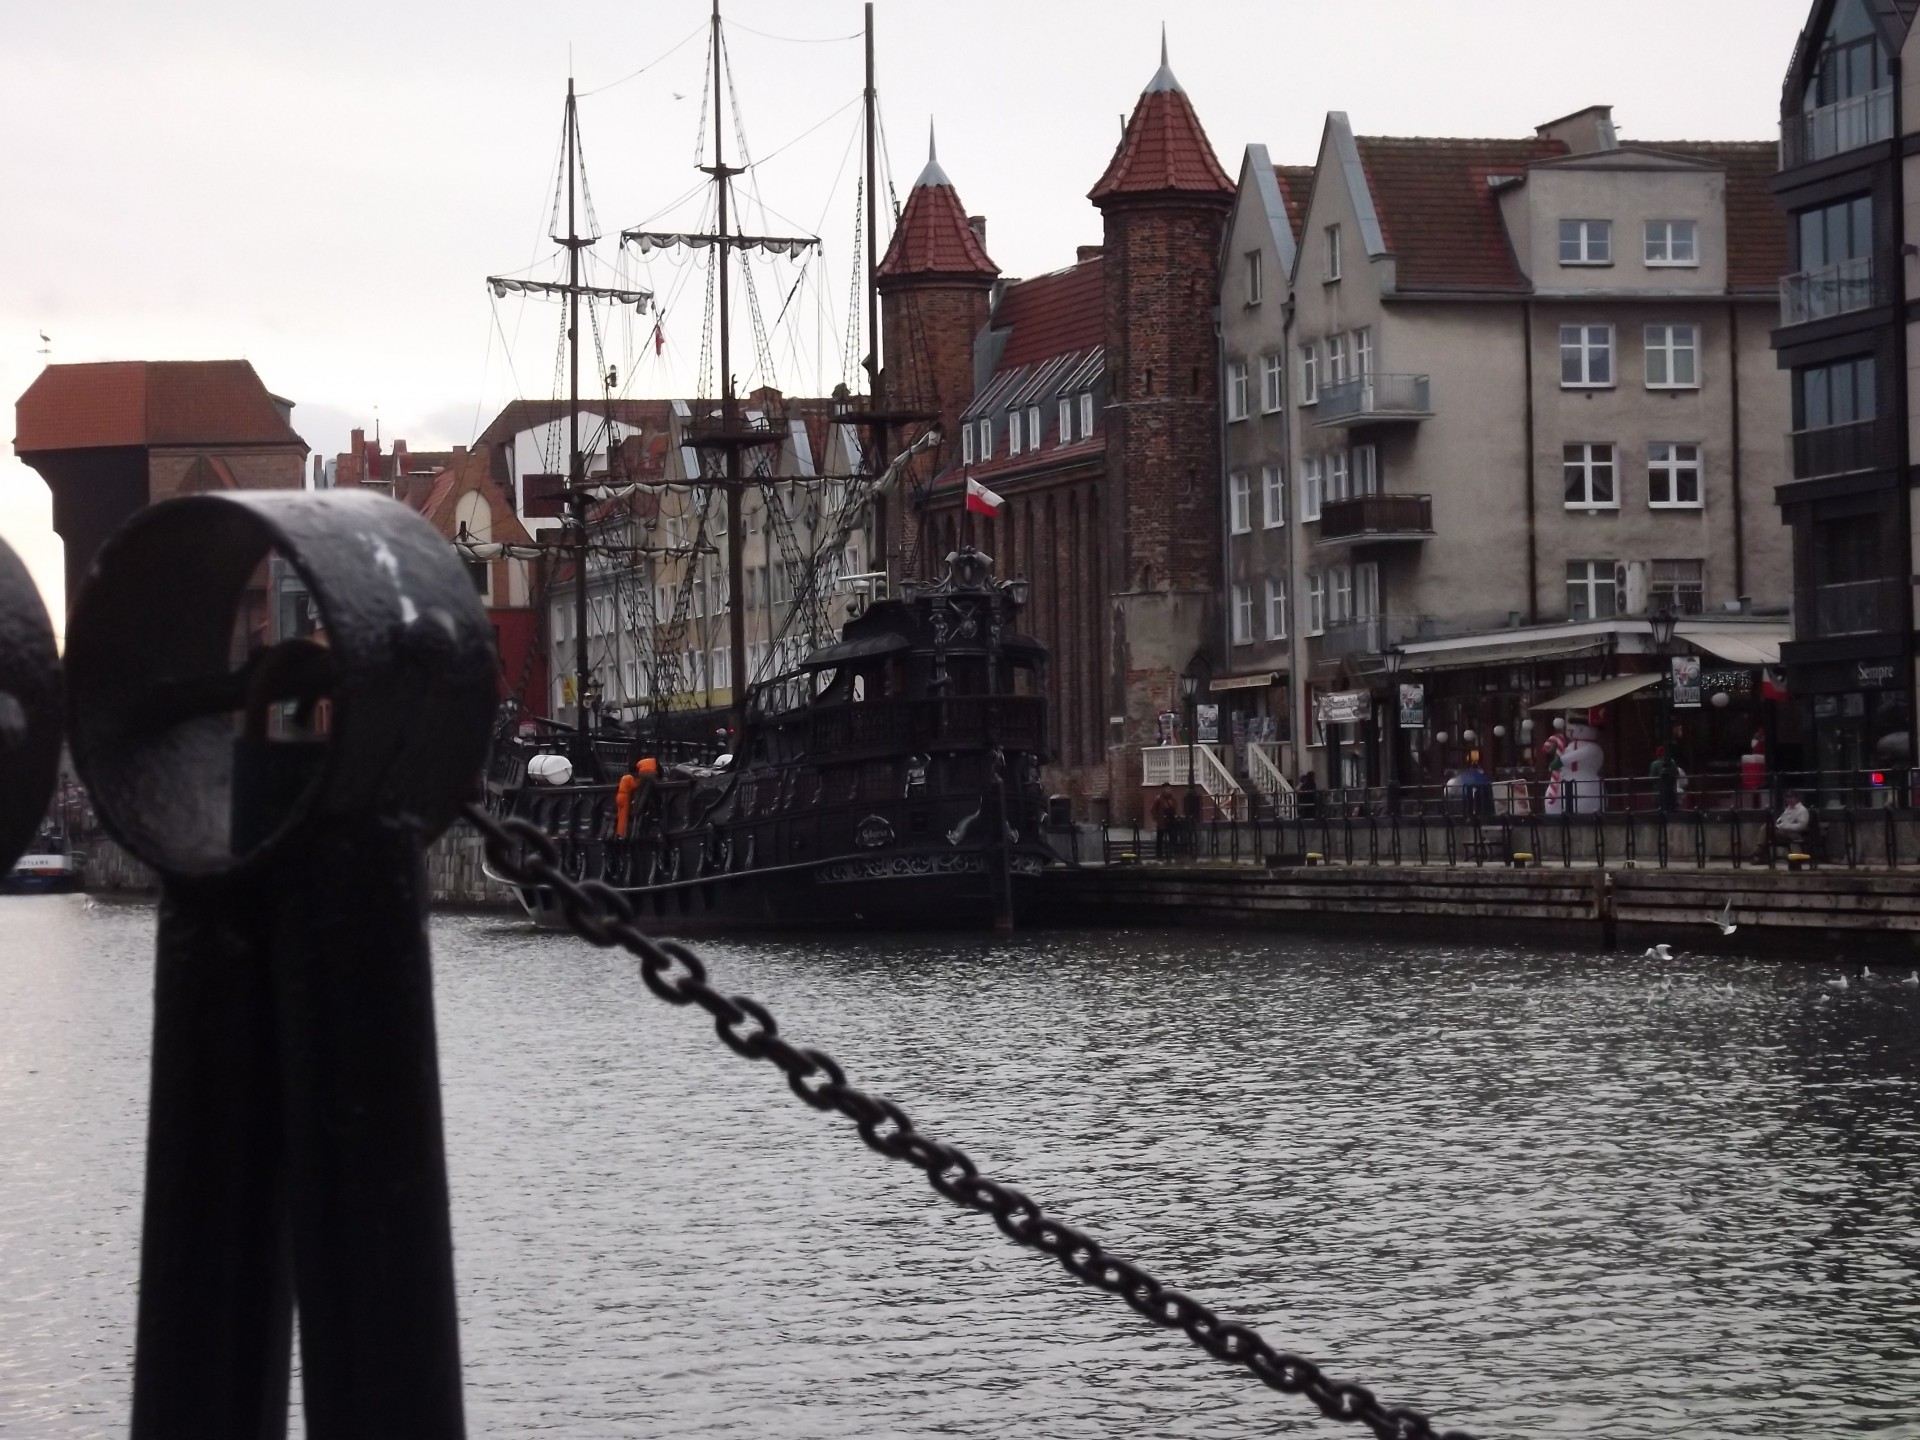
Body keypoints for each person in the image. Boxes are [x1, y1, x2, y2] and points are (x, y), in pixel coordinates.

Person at [1753, 789, 1811, 862]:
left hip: (1793, 834)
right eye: (1787, 798)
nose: (1789, 800)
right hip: (1783, 833)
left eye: (1791, 798)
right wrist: (1777, 825)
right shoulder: (1789, 809)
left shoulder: (1802, 810)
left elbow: (1802, 826)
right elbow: (1780, 820)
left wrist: (1785, 826)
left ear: (1796, 798)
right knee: (1767, 828)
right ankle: (1761, 853)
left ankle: (1759, 851)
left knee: (1767, 828)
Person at [1151, 785, 1178, 859]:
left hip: (1171, 821)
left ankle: (1173, 854)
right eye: (1167, 788)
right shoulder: (1158, 799)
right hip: (1162, 822)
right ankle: (1159, 855)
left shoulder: (1172, 799)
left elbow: (1174, 808)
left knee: (1173, 838)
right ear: (1163, 789)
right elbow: (1153, 810)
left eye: (1170, 788)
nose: (1169, 790)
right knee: (1160, 839)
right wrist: (1158, 819)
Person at [1650, 745, 1679, 812]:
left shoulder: (1654, 764)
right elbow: (1677, 774)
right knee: (1671, 810)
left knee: (1659, 809)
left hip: (1658, 790)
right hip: (1671, 790)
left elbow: (1651, 777)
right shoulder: (1672, 762)